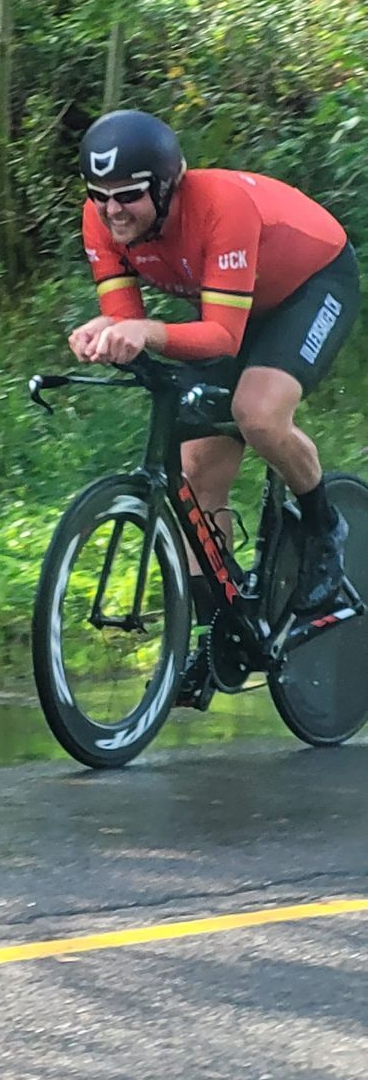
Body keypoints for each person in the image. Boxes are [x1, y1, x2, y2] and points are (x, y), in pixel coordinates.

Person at [69, 109, 360, 705]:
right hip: (231, 304)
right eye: (99, 195)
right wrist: (107, 333)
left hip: (311, 285)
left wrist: (146, 332)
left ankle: (325, 529)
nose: (112, 210)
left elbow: (222, 337)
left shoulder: (220, 207)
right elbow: (129, 324)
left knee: (258, 413)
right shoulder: (101, 220)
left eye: (128, 194)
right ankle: (216, 633)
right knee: (196, 471)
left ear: (167, 186)